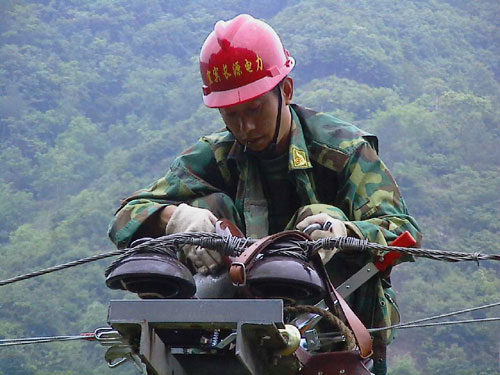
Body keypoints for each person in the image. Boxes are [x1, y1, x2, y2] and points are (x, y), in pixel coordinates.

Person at [108, 14, 422, 375]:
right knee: (202, 210)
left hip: (336, 334)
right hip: (233, 328)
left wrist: (343, 233)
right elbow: (127, 215)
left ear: (285, 91)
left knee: (321, 212)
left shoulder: (340, 151)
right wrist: (176, 220)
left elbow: (401, 231)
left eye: (256, 109)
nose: (246, 127)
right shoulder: (218, 155)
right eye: (231, 114)